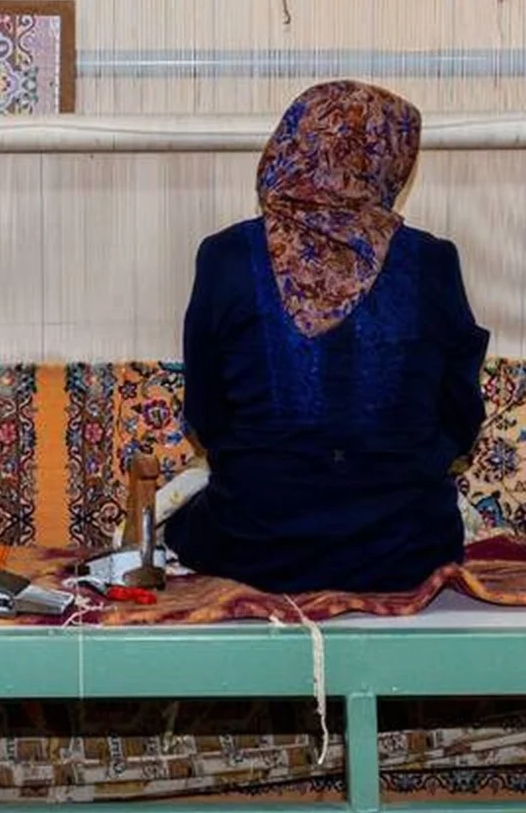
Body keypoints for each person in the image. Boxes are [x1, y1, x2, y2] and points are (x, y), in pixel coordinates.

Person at [161, 80, 489, 593]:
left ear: (289, 147)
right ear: (388, 160)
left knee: (183, 525)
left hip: (255, 547)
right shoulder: (433, 263)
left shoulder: (225, 257)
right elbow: (460, 418)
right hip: (406, 551)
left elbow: (207, 415)